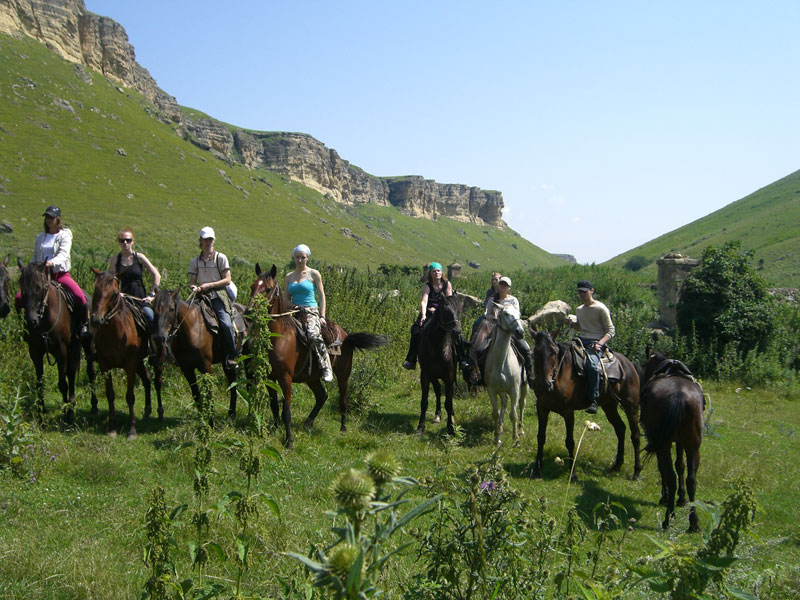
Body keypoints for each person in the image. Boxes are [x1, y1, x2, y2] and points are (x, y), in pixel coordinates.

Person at [16, 205, 90, 339]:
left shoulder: (65, 235)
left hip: (59, 274)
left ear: (58, 219)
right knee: (19, 297)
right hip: (40, 276)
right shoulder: (40, 237)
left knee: (79, 296)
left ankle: (83, 325)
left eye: (51, 217)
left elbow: (64, 254)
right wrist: (30, 268)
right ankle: (23, 326)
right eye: (47, 217)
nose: (49, 220)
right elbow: (35, 257)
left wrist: (52, 262)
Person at [188, 227, 239, 370]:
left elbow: (227, 280)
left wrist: (209, 285)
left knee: (226, 323)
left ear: (214, 240)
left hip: (218, 295)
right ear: (201, 241)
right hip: (202, 295)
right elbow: (192, 281)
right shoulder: (195, 261)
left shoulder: (220, 258)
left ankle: (232, 354)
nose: (208, 242)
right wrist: (193, 287)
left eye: (210, 239)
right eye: (205, 239)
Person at [402, 262, 468, 370]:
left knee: (456, 332)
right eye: (434, 271)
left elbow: (449, 302)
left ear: (442, 272)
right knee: (415, 331)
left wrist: (438, 309)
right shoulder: (427, 286)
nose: (436, 273)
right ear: (430, 273)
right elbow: (424, 301)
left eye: (438, 270)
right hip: (429, 313)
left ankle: (462, 359)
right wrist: (423, 315)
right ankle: (411, 359)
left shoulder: (447, 284)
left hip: (444, 313)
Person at [284, 243, 333, 382]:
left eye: (302, 257)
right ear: (294, 257)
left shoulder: (314, 273)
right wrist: (294, 306)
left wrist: (322, 315)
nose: (299, 260)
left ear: (307, 258)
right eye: (297, 257)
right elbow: (285, 299)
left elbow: (322, 296)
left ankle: (326, 367)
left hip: (310, 311)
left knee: (313, 335)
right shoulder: (289, 276)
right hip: (293, 311)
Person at [568, 279, 615, 414]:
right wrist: (571, 324)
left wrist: (600, 343)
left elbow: (611, 330)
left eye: (584, 292)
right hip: (581, 339)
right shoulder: (579, 309)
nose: (582, 295)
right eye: (580, 292)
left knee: (592, 365)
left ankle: (593, 399)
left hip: (596, 342)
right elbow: (581, 327)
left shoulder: (601, 308)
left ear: (591, 291)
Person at [484, 276, 536, 387]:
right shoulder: (492, 300)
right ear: (498, 286)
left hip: (512, 330)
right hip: (496, 330)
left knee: (526, 349)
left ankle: (529, 376)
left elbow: (517, 314)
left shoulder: (513, 300)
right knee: (480, 350)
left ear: (509, 288)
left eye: (505, 285)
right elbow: (487, 314)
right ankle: (484, 376)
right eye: (501, 284)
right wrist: (493, 318)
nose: (503, 286)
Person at [107, 226, 161, 330]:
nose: (125, 243)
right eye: (122, 240)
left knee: (151, 317)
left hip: (139, 299)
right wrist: (117, 292)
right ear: (118, 242)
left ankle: (155, 345)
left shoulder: (139, 257)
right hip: (121, 298)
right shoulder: (114, 259)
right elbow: (111, 279)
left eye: (128, 240)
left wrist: (152, 295)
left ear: (133, 242)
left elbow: (157, 275)